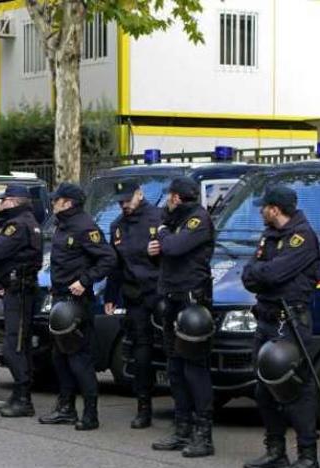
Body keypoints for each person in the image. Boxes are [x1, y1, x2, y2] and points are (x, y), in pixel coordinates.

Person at [241, 186, 320, 468]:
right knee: (264, 389)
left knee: (296, 389)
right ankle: (276, 451)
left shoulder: (302, 238)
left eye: (263, 206)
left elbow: (274, 274)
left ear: (274, 209)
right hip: (266, 319)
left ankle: (307, 455)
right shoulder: (269, 235)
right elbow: (248, 275)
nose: (261, 211)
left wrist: (263, 273)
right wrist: (262, 273)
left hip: (291, 323)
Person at [39, 183, 116, 431]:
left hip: (77, 302)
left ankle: (90, 414)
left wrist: (84, 281)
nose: (53, 203)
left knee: (78, 359)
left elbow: (108, 258)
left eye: (57, 200)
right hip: (60, 299)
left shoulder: (84, 226)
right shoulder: (63, 224)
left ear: (68, 202)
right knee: (60, 357)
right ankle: (66, 408)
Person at [148, 176, 216, 458]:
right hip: (172, 300)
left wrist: (162, 235)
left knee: (195, 371)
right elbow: (167, 254)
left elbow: (175, 248)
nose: (166, 201)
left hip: (192, 305)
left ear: (177, 197)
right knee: (175, 369)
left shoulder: (197, 220)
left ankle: (204, 435)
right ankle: (182, 428)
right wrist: (155, 251)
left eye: (169, 197)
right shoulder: (173, 221)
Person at [103, 180, 163, 429]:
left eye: (128, 200)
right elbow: (116, 266)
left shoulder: (159, 218)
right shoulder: (117, 227)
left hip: (160, 294)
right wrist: (110, 296)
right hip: (135, 296)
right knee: (141, 352)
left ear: (140, 194)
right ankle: (143, 407)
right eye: (120, 202)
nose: (124, 205)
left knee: (172, 352)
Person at [0, 184, 43, 417]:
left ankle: (23, 398)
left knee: (14, 345)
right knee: (19, 344)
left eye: (3, 200)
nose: (0, 205)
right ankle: (19, 395)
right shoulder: (24, 222)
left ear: (14, 201)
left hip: (19, 291)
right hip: (17, 288)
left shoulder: (17, 225)